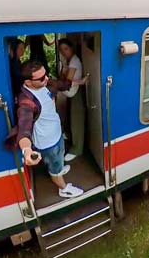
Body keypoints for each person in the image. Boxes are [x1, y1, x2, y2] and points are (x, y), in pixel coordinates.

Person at [5, 61, 87, 199]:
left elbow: (62, 84)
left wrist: (81, 81)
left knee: (59, 155)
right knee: (54, 165)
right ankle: (63, 188)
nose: (47, 79)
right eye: (42, 78)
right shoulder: (26, 101)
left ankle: (59, 168)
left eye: (46, 75)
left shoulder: (45, 84)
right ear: (28, 82)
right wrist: (27, 150)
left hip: (56, 133)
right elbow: (24, 127)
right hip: (46, 142)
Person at [56, 38, 85, 162]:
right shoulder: (68, 61)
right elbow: (62, 78)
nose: (64, 52)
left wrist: (63, 77)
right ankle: (69, 135)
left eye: (66, 49)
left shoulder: (74, 61)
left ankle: (77, 148)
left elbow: (66, 81)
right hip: (69, 93)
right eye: (61, 50)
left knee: (77, 121)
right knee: (70, 116)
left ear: (71, 48)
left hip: (75, 92)